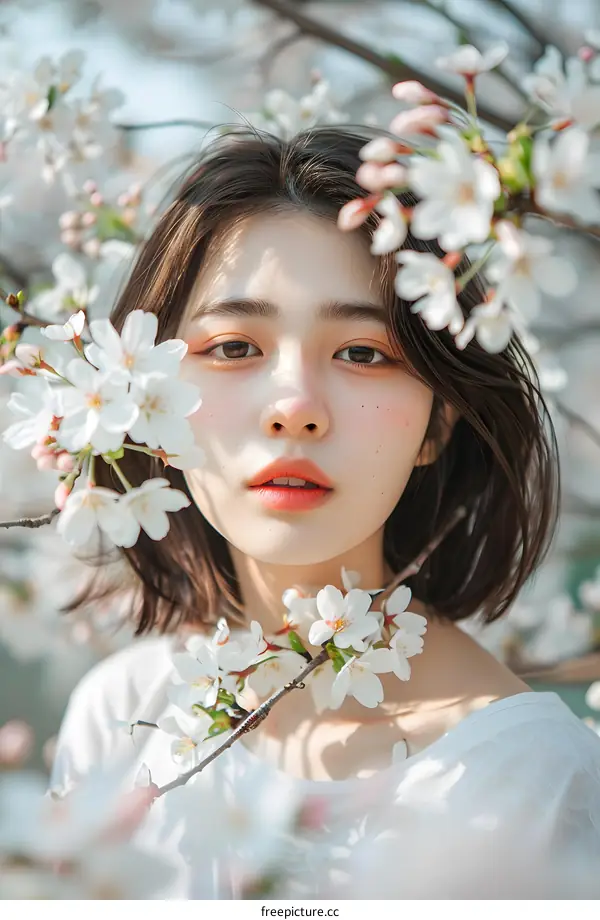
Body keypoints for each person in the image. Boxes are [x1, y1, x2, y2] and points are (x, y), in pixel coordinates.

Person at [49, 126, 600, 898]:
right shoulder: (123, 718)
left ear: (437, 423)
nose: (296, 409)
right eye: (236, 347)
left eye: (364, 353)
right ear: (147, 404)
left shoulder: (537, 783)